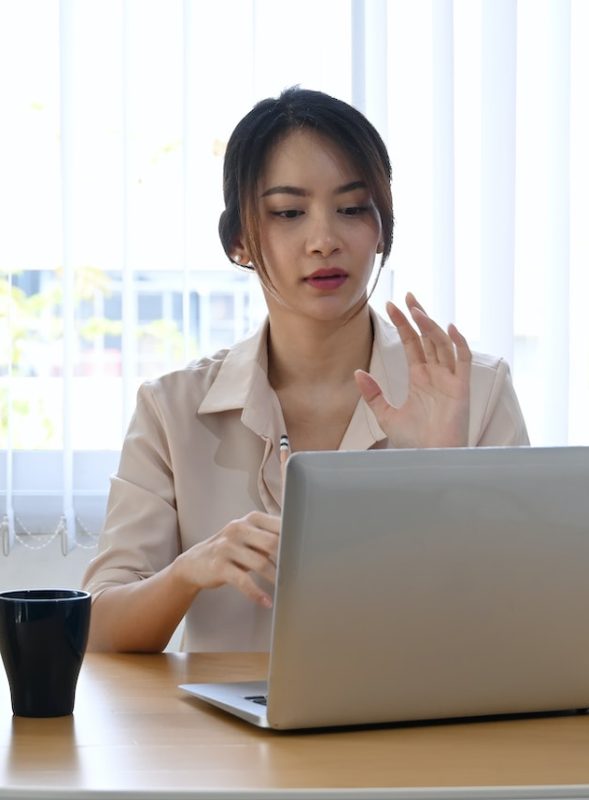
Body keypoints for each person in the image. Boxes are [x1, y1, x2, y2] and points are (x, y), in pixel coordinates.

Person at [82, 87, 529, 653]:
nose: (325, 241)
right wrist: (189, 570)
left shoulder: (476, 392)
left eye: (353, 208)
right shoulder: (172, 408)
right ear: (239, 241)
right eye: (289, 213)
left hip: (419, 710)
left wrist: (440, 475)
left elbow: (525, 618)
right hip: (232, 714)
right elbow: (98, 626)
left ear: (382, 229)